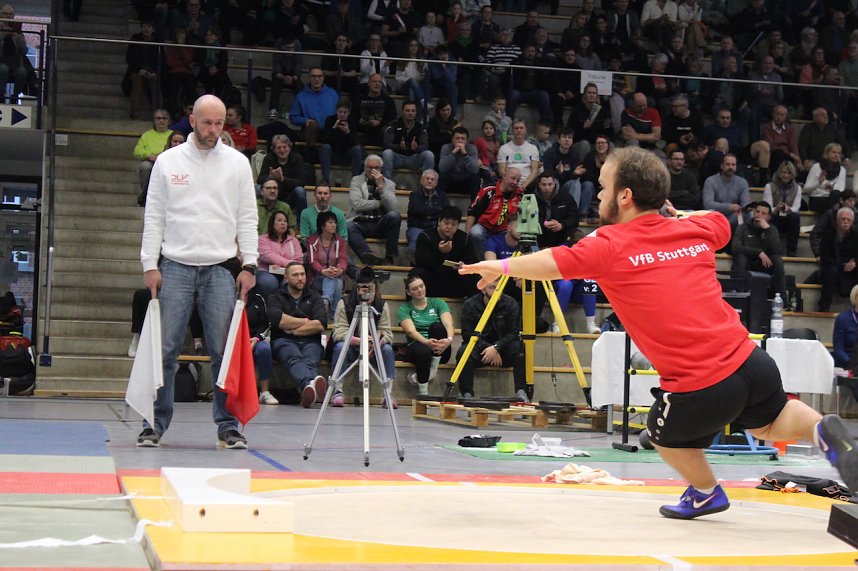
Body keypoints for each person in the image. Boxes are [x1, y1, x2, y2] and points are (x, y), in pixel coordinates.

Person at [459, 145, 858, 516]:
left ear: (625, 196)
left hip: (701, 381)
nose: (597, 196)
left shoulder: (609, 243)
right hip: (752, 362)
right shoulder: (695, 229)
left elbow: (555, 262)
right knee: (769, 421)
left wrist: (501, 266)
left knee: (661, 434)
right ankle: (825, 429)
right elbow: (719, 222)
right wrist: (677, 216)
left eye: (602, 188)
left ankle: (705, 492)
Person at [137, 94, 258, 450]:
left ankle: (228, 425)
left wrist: (249, 264)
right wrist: (149, 263)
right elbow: (154, 215)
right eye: (207, 122)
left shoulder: (237, 163)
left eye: (220, 123)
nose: (214, 130)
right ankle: (153, 424)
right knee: (165, 350)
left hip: (220, 267)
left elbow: (247, 218)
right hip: (174, 265)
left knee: (224, 351)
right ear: (191, 120)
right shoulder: (167, 161)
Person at [330, 266, 398, 408]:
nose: (366, 291)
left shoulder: (381, 305)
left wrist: (377, 343)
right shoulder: (345, 303)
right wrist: (359, 341)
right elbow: (338, 332)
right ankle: (337, 391)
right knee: (339, 347)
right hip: (351, 347)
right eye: (362, 288)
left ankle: (388, 393)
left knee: (388, 350)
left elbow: (387, 333)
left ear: (376, 288)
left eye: (370, 288)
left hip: (373, 349)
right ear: (356, 289)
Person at [268, 261, 328, 408]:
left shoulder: (315, 297)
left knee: (310, 360)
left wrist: (293, 330)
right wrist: (306, 321)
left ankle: (309, 388)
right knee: (293, 358)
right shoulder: (276, 296)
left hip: (311, 341)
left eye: (302, 274)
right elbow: (279, 320)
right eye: (295, 275)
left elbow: (320, 324)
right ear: (286, 278)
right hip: (283, 340)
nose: (300, 278)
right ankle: (310, 383)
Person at [456, 279, 527, 400]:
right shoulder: (470, 304)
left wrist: (496, 347)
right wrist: (488, 348)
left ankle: (521, 391)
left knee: (519, 347)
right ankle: (466, 393)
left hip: (503, 349)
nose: (497, 291)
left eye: (499, 287)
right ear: (483, 289)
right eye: (492, 288)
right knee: (463, 352)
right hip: (480, 350)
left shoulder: (511, 303)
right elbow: (467, 334)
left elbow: (513, 333)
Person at [398, 273, 455, 396]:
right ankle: (423, 394)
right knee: (423, 350)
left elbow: (448, 323)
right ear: (408, 292)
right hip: (418, 346)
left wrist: (449, 339)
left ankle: (432, 371)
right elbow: (410, 331)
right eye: (415, 289)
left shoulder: (437, 303)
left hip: (441, 349)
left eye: (421, 286)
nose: (419, 290)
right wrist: (426, 342)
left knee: (437, 327)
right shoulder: (404, 309)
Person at [347, 154, 402, 265]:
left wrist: (381, 188)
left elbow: (392, 207)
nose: (373, 170)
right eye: (369, 167)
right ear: (364, 167)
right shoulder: (357, 180)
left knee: (394, 216)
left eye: (376, 168)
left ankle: (390, 257)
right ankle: (367, 255)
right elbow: (357, 204)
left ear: (380, 169)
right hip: (361, 223)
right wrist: (379, 203)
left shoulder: (389, 184)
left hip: (380, 224)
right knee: (347, 225)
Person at [414, 206, 478, 299]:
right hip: (433, 277)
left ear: (458, 225)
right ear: (439, 221)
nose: (449, 227)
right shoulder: (426, 236)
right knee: (416, 273)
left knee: (475, 276)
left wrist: (464, 266)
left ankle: (472, 309)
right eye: (446, 223)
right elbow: (420, 261)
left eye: (453, 224)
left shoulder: (465, 239)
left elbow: (472, 260)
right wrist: (439, 252)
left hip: (454, 278)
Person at [731, 201, 786, 300]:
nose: (759, 215)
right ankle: (739, 296)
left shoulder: (771, 229)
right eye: (757, 211)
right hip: (746, 264)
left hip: (764, 264)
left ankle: (781, 300)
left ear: (768, 217)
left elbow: (777, 250)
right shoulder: (742, 228)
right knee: (740, 257)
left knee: (777, 259)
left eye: (763, 213)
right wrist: (758, 252)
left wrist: (767, 230)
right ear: (753, 213)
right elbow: (735, 247)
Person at [466, 167, 524, 260]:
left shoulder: (520, 195)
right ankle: (484, 264)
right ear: (504, 176)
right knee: (475, 232)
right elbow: (473, 212)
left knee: (515, 232)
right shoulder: (489, 190)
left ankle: (507, 267)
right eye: (513, 178)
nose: (515, 183)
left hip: (505, 229)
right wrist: (466, 235)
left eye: (518, 180)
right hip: (485, 227)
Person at [306, 211, 348, 321]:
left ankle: (325, 304)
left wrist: (340, 269)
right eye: (330, 222)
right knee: (334, 279)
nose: (334, 225)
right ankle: (334, 315)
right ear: (322, 225)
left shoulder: (340, 241)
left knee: (337, 281)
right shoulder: (312, 241)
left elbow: (343, 259)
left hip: (335, 275)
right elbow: (312, 261)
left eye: (334, 222)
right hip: (317, 279)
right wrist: (323, 271)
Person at [256, 134, 308, 218]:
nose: (282, 150)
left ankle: (300, 222)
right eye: (278, 148)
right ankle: (258, 217)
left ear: (290, 147)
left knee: (300, 191)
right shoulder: (269, 158)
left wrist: (282, 178)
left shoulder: (297, 158)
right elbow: (260, 180)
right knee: (258, 188)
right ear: (273, 149)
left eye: (284, 147)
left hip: (290, 195)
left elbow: (301, 182)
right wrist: (270, 177)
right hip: (272, 193)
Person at [381, 100, 434, 180]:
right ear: (402, 112)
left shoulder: (420, 127)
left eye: (413, 111)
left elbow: (425, 146)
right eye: (407, 110)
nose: (410, 113)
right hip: (397, 157)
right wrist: (398, 147)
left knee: (429, 155)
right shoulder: (393, 125)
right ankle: (387, 183)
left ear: (416, 113)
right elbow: (386, 144)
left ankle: (426, 184)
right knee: (387, 153)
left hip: (413, 159)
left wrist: (417, 148)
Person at [288, 66, 338, 150]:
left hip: (329, 129)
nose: (317, 79)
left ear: (323, 78)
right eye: (314, 76)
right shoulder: (301, 96)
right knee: (312, 125)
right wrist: (305, 120)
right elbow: (293, 117)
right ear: (309, 78)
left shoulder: (332, 94)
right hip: (312, 130)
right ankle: (311, 155)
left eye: (319, 76)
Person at [818, 207, 858, 312]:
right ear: (837, 220)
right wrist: (842, 266)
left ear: (852, 222)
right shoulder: (828, 234)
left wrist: (853, 264)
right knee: (832, 270)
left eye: (848, 220)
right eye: (843, 219)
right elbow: (825, 257)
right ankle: (824, 307)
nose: (845, 222)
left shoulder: (856, 235)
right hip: (833, 268)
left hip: (851, 269)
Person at [257, 210, 303, 297]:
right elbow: (267, 255)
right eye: (279, 220)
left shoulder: (293, 240)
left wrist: (283, 267)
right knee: (268, 282)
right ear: (272, 223)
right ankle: (267, 308)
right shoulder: (263, 239)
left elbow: (299, 260)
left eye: (285, 221)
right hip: (267, 271)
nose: (283, 223)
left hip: (288, 273)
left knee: (289, 283)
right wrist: (289, 264)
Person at [406, 169, 449, 260]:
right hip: (417, 227)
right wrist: (437, 211)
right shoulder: (414, 195)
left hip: (436, 228)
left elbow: (446, 213)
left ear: (436, 183)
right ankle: (415, 268)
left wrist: (426, 212)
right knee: (414, 244)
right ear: (421, 181)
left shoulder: (443, 196)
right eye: (427, 179)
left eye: (432, 179)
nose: (429, 181)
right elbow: (416, 210)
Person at [133, 109, 173, 206]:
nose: (161, 121)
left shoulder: (173, 134)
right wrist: (149, 155)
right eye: (158, 118)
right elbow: (137, 151)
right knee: (145, 167)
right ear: (154, 121)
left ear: (169, 121)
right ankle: (144, 197)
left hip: (169, 162)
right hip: (151, 162)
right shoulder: (147, 135)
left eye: (164, 118)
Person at [702, 154, 751, 232]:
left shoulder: (742, 182)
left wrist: (748, 207)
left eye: (733, 165)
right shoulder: (710, 181)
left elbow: (745, 203)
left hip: (734, 217)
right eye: (728, 164)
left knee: (748, 214)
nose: (730, 167)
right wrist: (729, 207)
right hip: (716, 216)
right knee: (710, 212)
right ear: (722, 166)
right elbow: (708, 204)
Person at [319, 99, 364, 185]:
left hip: (347, 155)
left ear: (349, 113)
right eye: (340, 112)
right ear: (336, 111)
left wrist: (347, 132)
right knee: (325, 148)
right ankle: (325, 180)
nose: (342, 114)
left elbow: (355, 143)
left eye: (345, 112)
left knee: (357, 150)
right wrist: (334, 128)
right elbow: (325, 141)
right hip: (333, 155)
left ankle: (354, 182)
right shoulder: (329, 120)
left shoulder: (352, 121)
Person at [762, 161, 802, 256]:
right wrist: (776, 209)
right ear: (779, 173)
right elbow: (766, 207)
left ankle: (791, 250)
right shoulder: (769, 186)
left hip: (788, 218)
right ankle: (774, 249)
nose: (786, 175)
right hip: (775, 216)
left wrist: (789, 209)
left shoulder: (797, 188)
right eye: (784, 172)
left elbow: (796, 207)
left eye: (789, 173)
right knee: (773, 217)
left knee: (795, 217)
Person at [245, 289, 278, 405]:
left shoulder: (258, 298)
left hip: (255, 338)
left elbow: (265, 323)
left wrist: (257, 338)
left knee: (264, 349)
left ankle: (264, 392)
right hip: (233, 339)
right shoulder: (227, 296)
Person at [804, 142, 847, 214]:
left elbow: (841, 189)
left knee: (836, 195)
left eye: (838, 153)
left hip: (833, 199)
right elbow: (806, 189)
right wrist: (818, 183)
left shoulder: (842, 170)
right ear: (826, 153)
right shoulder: (816, 167)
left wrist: (831, 189)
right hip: (817, 199)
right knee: (831, 205)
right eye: (834, 152)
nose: (836, 155)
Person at [497, 119, 541, 191]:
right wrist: (513, 183)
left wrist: (523, 186)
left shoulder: (533, 148)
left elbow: (534, 171)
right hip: (510, 184)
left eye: (521, 128)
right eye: (516, 128)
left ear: (525, 130)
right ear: (512, 131)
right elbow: (502, 171)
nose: (519, 130)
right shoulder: (503, 149)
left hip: (528, 183)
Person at [438, 126, 481, 198]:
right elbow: (442, 168)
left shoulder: (471, 148)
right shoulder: (446, 148)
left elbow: (475, 170)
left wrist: (465, 154)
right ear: (452, 140)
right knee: (442, 177)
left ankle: (474, 207)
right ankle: (440, 206)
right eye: (457, 138)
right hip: (451, 181)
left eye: (463, 139)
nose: (460, 141)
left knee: (475, 178)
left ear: (467, 141)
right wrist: (453, 153)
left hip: (466, 182)